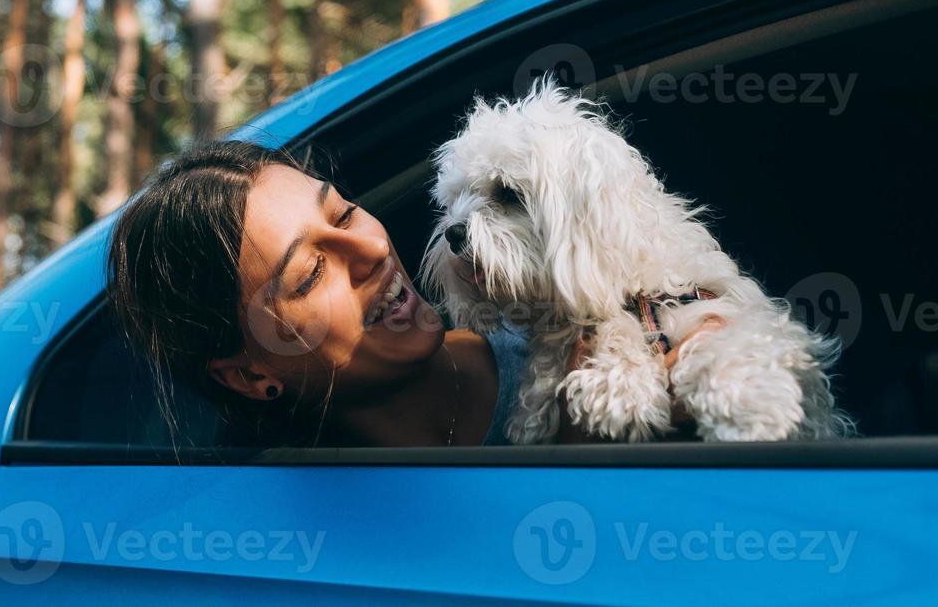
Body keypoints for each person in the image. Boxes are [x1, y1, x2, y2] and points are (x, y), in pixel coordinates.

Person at [107, 140, 722, 448]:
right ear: (246, 375)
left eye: (344, 217)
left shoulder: (602, 331)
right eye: (311, 275)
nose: (373, 250)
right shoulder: (287, 543)